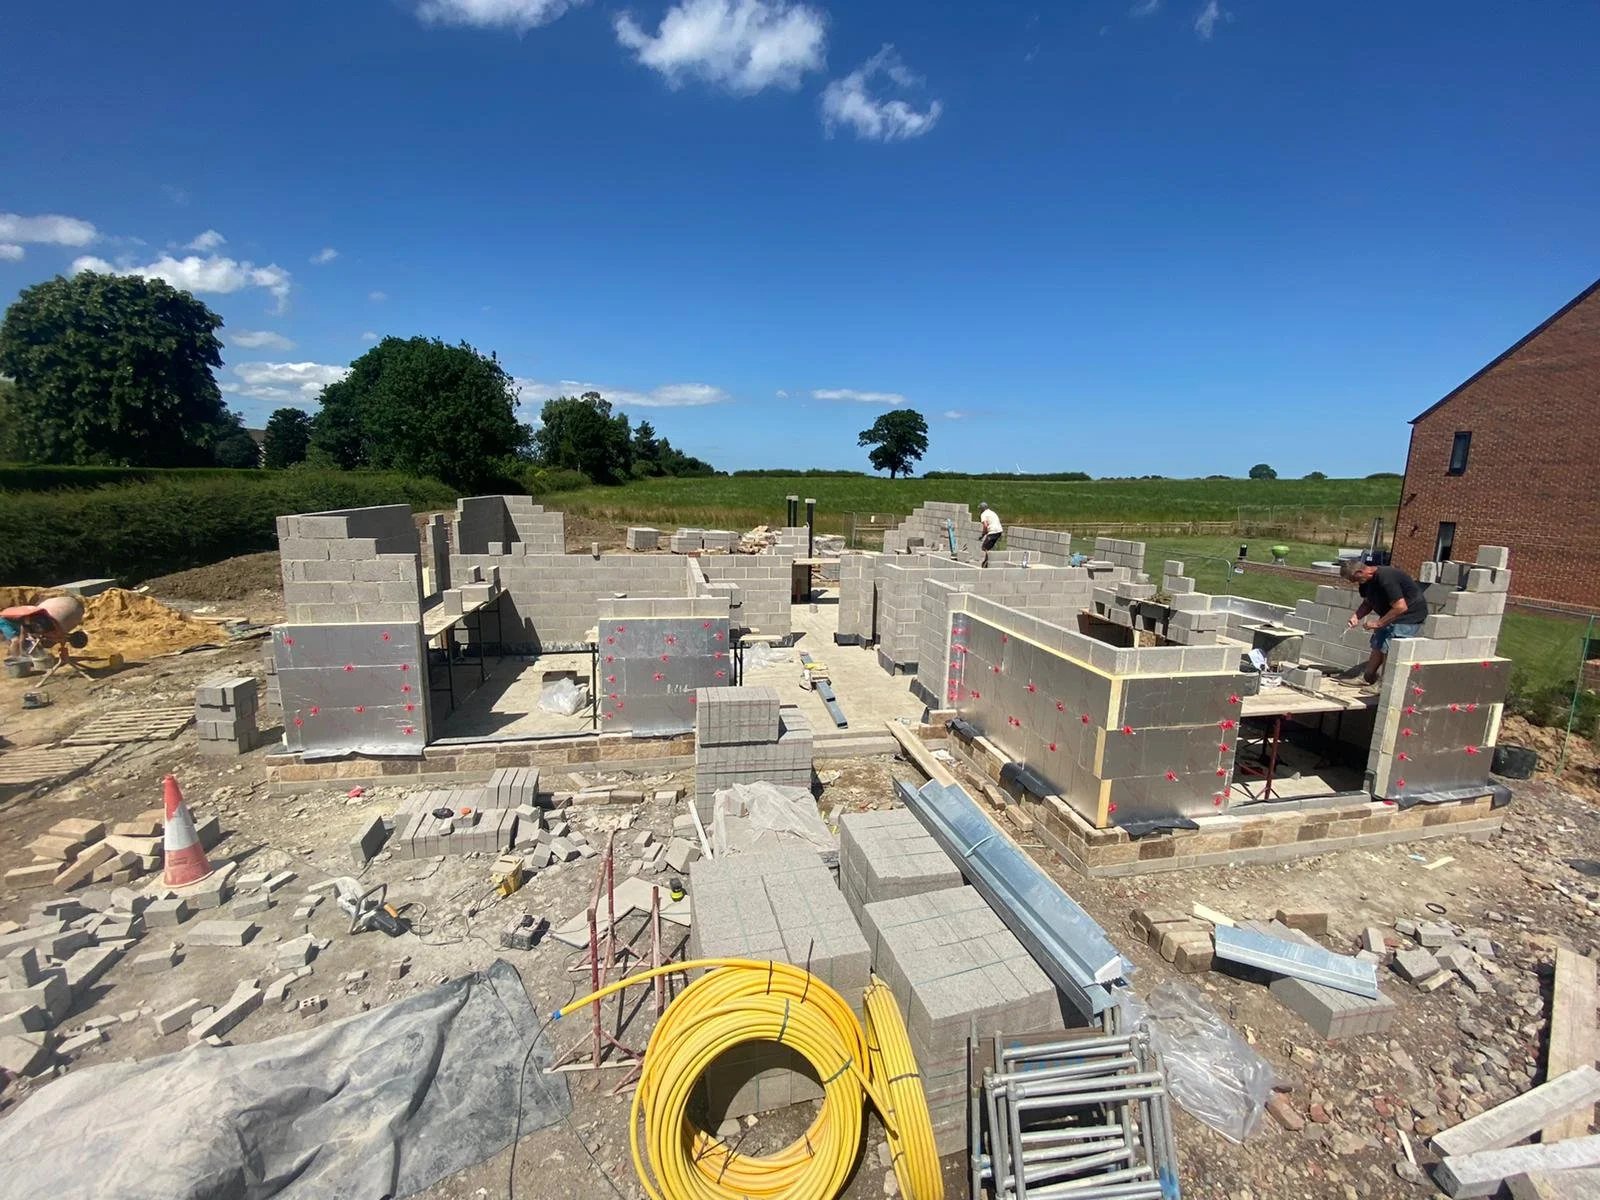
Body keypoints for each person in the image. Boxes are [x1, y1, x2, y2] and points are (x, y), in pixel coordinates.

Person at [1339, 559, 1430, 685]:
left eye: (1354, 579)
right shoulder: (1365, 581)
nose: (1353, 582)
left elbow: (1401, 607)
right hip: (1391, 613)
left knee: (1389, 647)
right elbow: (1367, 603)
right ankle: (1367, 677)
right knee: (1378, 643)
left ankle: (1383, 685)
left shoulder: (1386, 577)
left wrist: (1378, 623)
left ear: (1360, 571)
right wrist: (1356, 616)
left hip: (1409, 615)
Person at [978, 501, 1004, 568]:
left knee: (984, 547)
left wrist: (983, 534)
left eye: (980, 509)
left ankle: (987, 561)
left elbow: (985, 525)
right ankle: (988, 561)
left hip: (993, 531)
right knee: (988, 548)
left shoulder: (983, 514)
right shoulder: (992, 512)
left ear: (982, 508)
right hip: (999, 532)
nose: (980, 510)